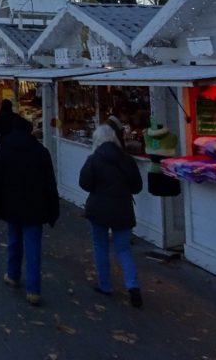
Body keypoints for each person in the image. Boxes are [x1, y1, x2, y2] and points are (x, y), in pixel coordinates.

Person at [0, 116, 60, 306]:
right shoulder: (41, 152)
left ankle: (13, 274)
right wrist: (53, 209)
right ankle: (33, 290)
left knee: (14, 239)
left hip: (12, 204)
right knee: (33, 246)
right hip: (35, 206)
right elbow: (50, 184)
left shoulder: (4, 150)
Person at [80, 123, 144, 307]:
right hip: (122, 209)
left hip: (98, 209)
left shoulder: (93, 159)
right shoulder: (127, 160)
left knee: (100, 246)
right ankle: (133, 287)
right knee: (123, 249)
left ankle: (105, 285)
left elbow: (84, 183)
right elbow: (137, 187)